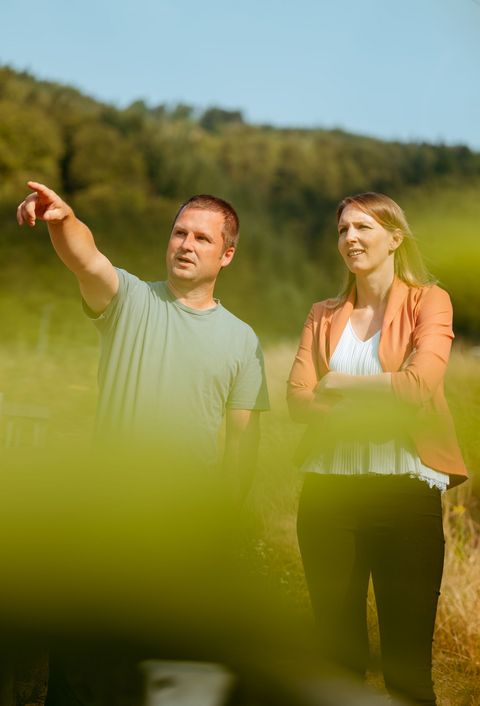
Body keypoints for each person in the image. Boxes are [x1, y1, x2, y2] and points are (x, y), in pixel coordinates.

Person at [287, 192, 467, 706]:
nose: (350, 238)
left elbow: (418, 386)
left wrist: (338, 383)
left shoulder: (429, 300)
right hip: (327, 498)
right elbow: (298, 401)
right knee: (338, 664)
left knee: (406, 672)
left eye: (363, 227)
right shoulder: (322, 314)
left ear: (394, 238)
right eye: (343, 229)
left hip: (404, 499)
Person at [17, 181, 269, 499]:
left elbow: (241, 443)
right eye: (180, 233)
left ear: (226, 255)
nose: (186, 245)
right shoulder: (129, 298)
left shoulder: (242, 340)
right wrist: (63, 219)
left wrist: (226, 519)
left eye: (202, 238)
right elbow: (87, 260)